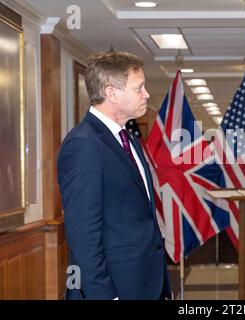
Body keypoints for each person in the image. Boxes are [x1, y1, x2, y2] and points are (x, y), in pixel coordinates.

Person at [57, 51, 171, 300]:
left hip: (144, 283)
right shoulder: (83, 145)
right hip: (112, 289)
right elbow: (83, 236)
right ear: (112, 93)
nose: (147, 95)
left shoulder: (128, 139)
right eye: (139, 88)